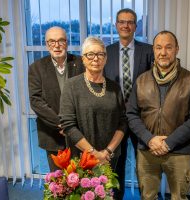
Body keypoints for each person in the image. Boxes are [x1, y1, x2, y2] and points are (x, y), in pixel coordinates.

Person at [126, 30, 190, 199]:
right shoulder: (141, 80)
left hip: (178, 151)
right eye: (158, 47)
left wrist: (169, 143)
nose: (163, 52)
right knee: (147, 196)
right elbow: (131, 114)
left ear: (177, 49)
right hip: (147, 150)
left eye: (168, 47)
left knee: (179, 197)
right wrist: (149, 139)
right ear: (153, 50)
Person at [104, 8, 154, 199]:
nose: (126, 25)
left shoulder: (148, 51)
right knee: (116, 163)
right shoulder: (106, 53)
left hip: (141, 119)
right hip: (116, 120)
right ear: (116, 25)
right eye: (122, 21)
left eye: (130, 22)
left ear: (135, 26)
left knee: (145, 165)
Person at [59, 36, 127, 170]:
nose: (95, 59)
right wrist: (94, 153)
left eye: (100, 54)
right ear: (83, 59)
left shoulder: (114, 87)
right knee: (85, 191)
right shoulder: (71, 86)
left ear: (105, 58)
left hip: (109, 157)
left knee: (109, 190)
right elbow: (68, 125)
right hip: (82, 156)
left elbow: (123, 122)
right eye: (90, 54)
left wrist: (107, 151)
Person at [28, 26, 85, 171]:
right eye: (52, 42)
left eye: (61, 40)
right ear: (47, 45)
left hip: (80, 132)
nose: (57, 45)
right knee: (58, 182)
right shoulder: (36, 68)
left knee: (82, 179)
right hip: (52, 133)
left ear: (67, 42)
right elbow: (36, 101)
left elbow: (87, 96)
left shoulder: (81, 63)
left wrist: (72, 126)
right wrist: (62, 124)